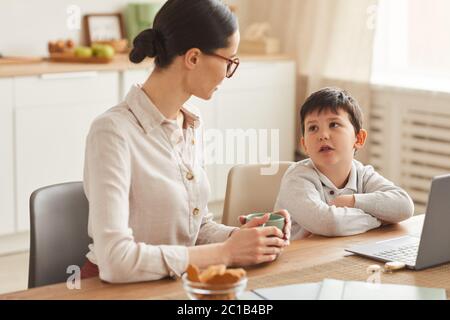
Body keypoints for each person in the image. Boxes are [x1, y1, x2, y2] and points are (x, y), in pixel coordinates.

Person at [82, 0, 291, 283]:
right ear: (193, 58)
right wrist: (226, 252)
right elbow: (115, 261)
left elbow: (196, 229)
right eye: (229, 62)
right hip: (114, 289)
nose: (229, 74)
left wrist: (244, 238)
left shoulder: (191, 123)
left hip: (176, 282)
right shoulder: (112, 132)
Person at [274, 87, 413, 240]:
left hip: (342, 255)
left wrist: (352, 201)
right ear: (305, 145)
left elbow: (404, 206)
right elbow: (329, 223)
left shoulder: (363, 174)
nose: (323, 135)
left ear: (358, 138)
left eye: (334, 124)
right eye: (313, 128)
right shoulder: (297, 178)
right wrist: (380, 219)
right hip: (299, 261)